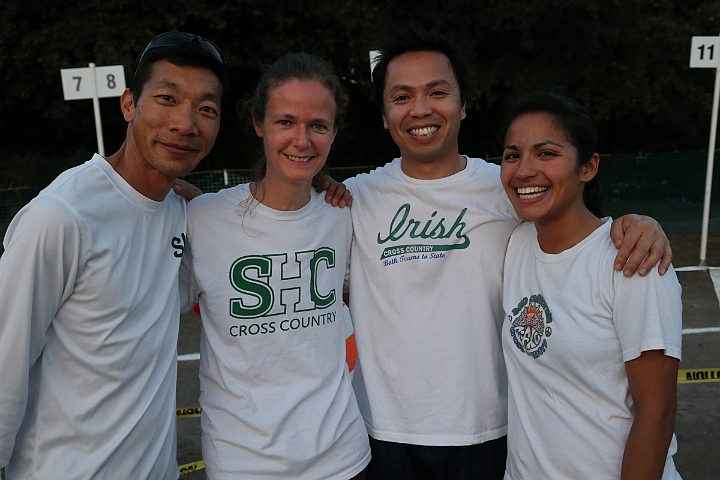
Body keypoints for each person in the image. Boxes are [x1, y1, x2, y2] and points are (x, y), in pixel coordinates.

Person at [341, 27, 673, 479]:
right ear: (383, 114)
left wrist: (642, 225)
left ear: (463, 104)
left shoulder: (508, 190)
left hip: (490, 433)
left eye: (438, 92)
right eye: (401, 97)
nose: (421, 109)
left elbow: (574, 220)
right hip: (380, 434)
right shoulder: (350, 201)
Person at [0, 32, 229, 479]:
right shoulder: (61, 217)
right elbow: (4, 360)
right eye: (167, 98)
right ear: (129, 105)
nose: (186, 123)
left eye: (206, 109)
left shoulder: (183, 214)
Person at [179, 53, 370, 479]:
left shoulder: (346, 213)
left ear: (334, 134)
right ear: (258, 124)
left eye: (318, 125)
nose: (301, 140)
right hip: (244, 464)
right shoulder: (203, 219)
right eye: (285, 121)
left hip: (343, 458)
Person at [500, 92, 682, 479]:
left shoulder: (632, 261)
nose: (524, 170)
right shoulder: (516, 243)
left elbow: (658, 414)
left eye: (546, 153)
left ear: (588, 167)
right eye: (512, 155)